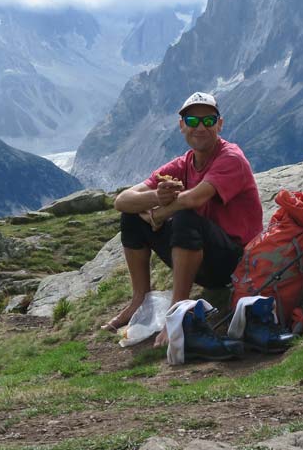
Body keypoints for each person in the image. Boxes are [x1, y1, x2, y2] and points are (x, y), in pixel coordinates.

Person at [104, 92, 263, 346]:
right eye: (192, 121)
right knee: (131, 217)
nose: (200, 127)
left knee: (185, 217)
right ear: (182, 126)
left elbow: (194, 199)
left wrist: (158, 213)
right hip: (201, 255)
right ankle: (139, 300)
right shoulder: (183, 164)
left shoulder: (231, 157)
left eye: (209, 121)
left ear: (219, 125)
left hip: (233, 262)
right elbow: (122, 200)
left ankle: (177, 312)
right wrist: (157, 196)